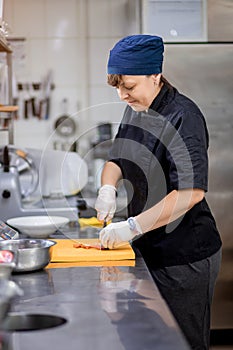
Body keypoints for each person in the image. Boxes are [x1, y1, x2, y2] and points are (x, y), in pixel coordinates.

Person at [95, 34, 222, 350]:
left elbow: (190, 193)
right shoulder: (135, 107)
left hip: (184, 257)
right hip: (148, 250)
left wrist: (132, 226)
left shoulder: (184, 116)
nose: (123, 95)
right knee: (150, 340)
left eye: (129, 86)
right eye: (118, 88)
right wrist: (107, 188)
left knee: (183, 342)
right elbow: (116, 159)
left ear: (155, 75)